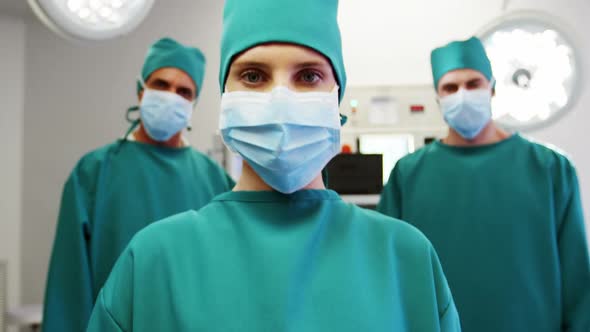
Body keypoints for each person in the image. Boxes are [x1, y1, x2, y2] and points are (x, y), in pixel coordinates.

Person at [85, 0, 461, 331]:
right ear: (225, 95)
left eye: (308, 76)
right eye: (253, 75)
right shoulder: (152, 262)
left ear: (337, 98)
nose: (280, 98)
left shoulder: (406, 260)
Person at [378, 36, 590, 332]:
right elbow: (386, 272)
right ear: (438, 98)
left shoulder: (551, 169)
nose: (462, 94)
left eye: (473, 84)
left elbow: (578, 281)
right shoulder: (408, 174)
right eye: (450, 87)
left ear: (492, 88)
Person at [42, 37, 235, 332]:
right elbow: (69, 288)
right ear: (140, 89)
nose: (171, 96)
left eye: (184, 91)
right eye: (161, 84)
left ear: (193, 104)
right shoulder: (94, 173)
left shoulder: (215, 179)